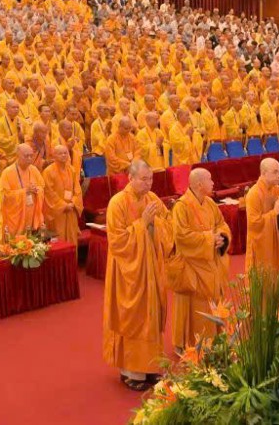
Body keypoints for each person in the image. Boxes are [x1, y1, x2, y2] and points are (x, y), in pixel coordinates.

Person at [103, 160, 174, 392]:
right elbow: (117, 241)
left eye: (150, 178)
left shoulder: (152, 199)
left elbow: (168, 225)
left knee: (152, 315)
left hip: (151, 268)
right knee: (134, 318)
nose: (148, 183)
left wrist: (155, 224)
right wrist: (142, 224)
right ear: (130, 178)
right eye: (144, 179)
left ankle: (150, 366)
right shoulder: (117, 203)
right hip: (129, 272)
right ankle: (131, 371)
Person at [170, 168, 230, 350]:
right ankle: (190, 342)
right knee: (195, 305)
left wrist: (221, 237)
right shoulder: (181, 207)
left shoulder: (210, 203)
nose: (213, 183)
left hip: (210, 262)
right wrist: (210, 239)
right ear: (199, 184)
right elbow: (181, 236)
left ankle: (215, 339)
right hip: (192, 266)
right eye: (209, 180)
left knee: (212, 301)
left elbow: (221, 224)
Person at [243, 157, 279, 274]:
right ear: (263, 173)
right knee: (264, 275)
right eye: (275, 172)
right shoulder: (254, 194)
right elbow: (254, 224)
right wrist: (274, 213)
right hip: (261, 245)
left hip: (276, 240)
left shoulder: (277, 189)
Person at [0, 143, 44, 235]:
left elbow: (42, 187)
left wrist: (37, 190)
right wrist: (25, 191)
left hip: (31, 213)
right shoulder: (7, 173)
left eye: (31, 156)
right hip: (16, 217)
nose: (29, 158)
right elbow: (5, 196)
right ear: (18, 156)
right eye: (26, 156)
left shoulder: (34, 170)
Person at [42, 144, 82, 244]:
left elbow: (77, 189)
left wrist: (74, 202)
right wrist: (63, 205)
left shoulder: (71, 170)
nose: (64, 155)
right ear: (54, 155)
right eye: (60, 153)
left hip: (71, 209)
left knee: (72, 239)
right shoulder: (48, 172)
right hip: (58, 212)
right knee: (59, 240)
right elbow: (49, 192)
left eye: (65, 153)